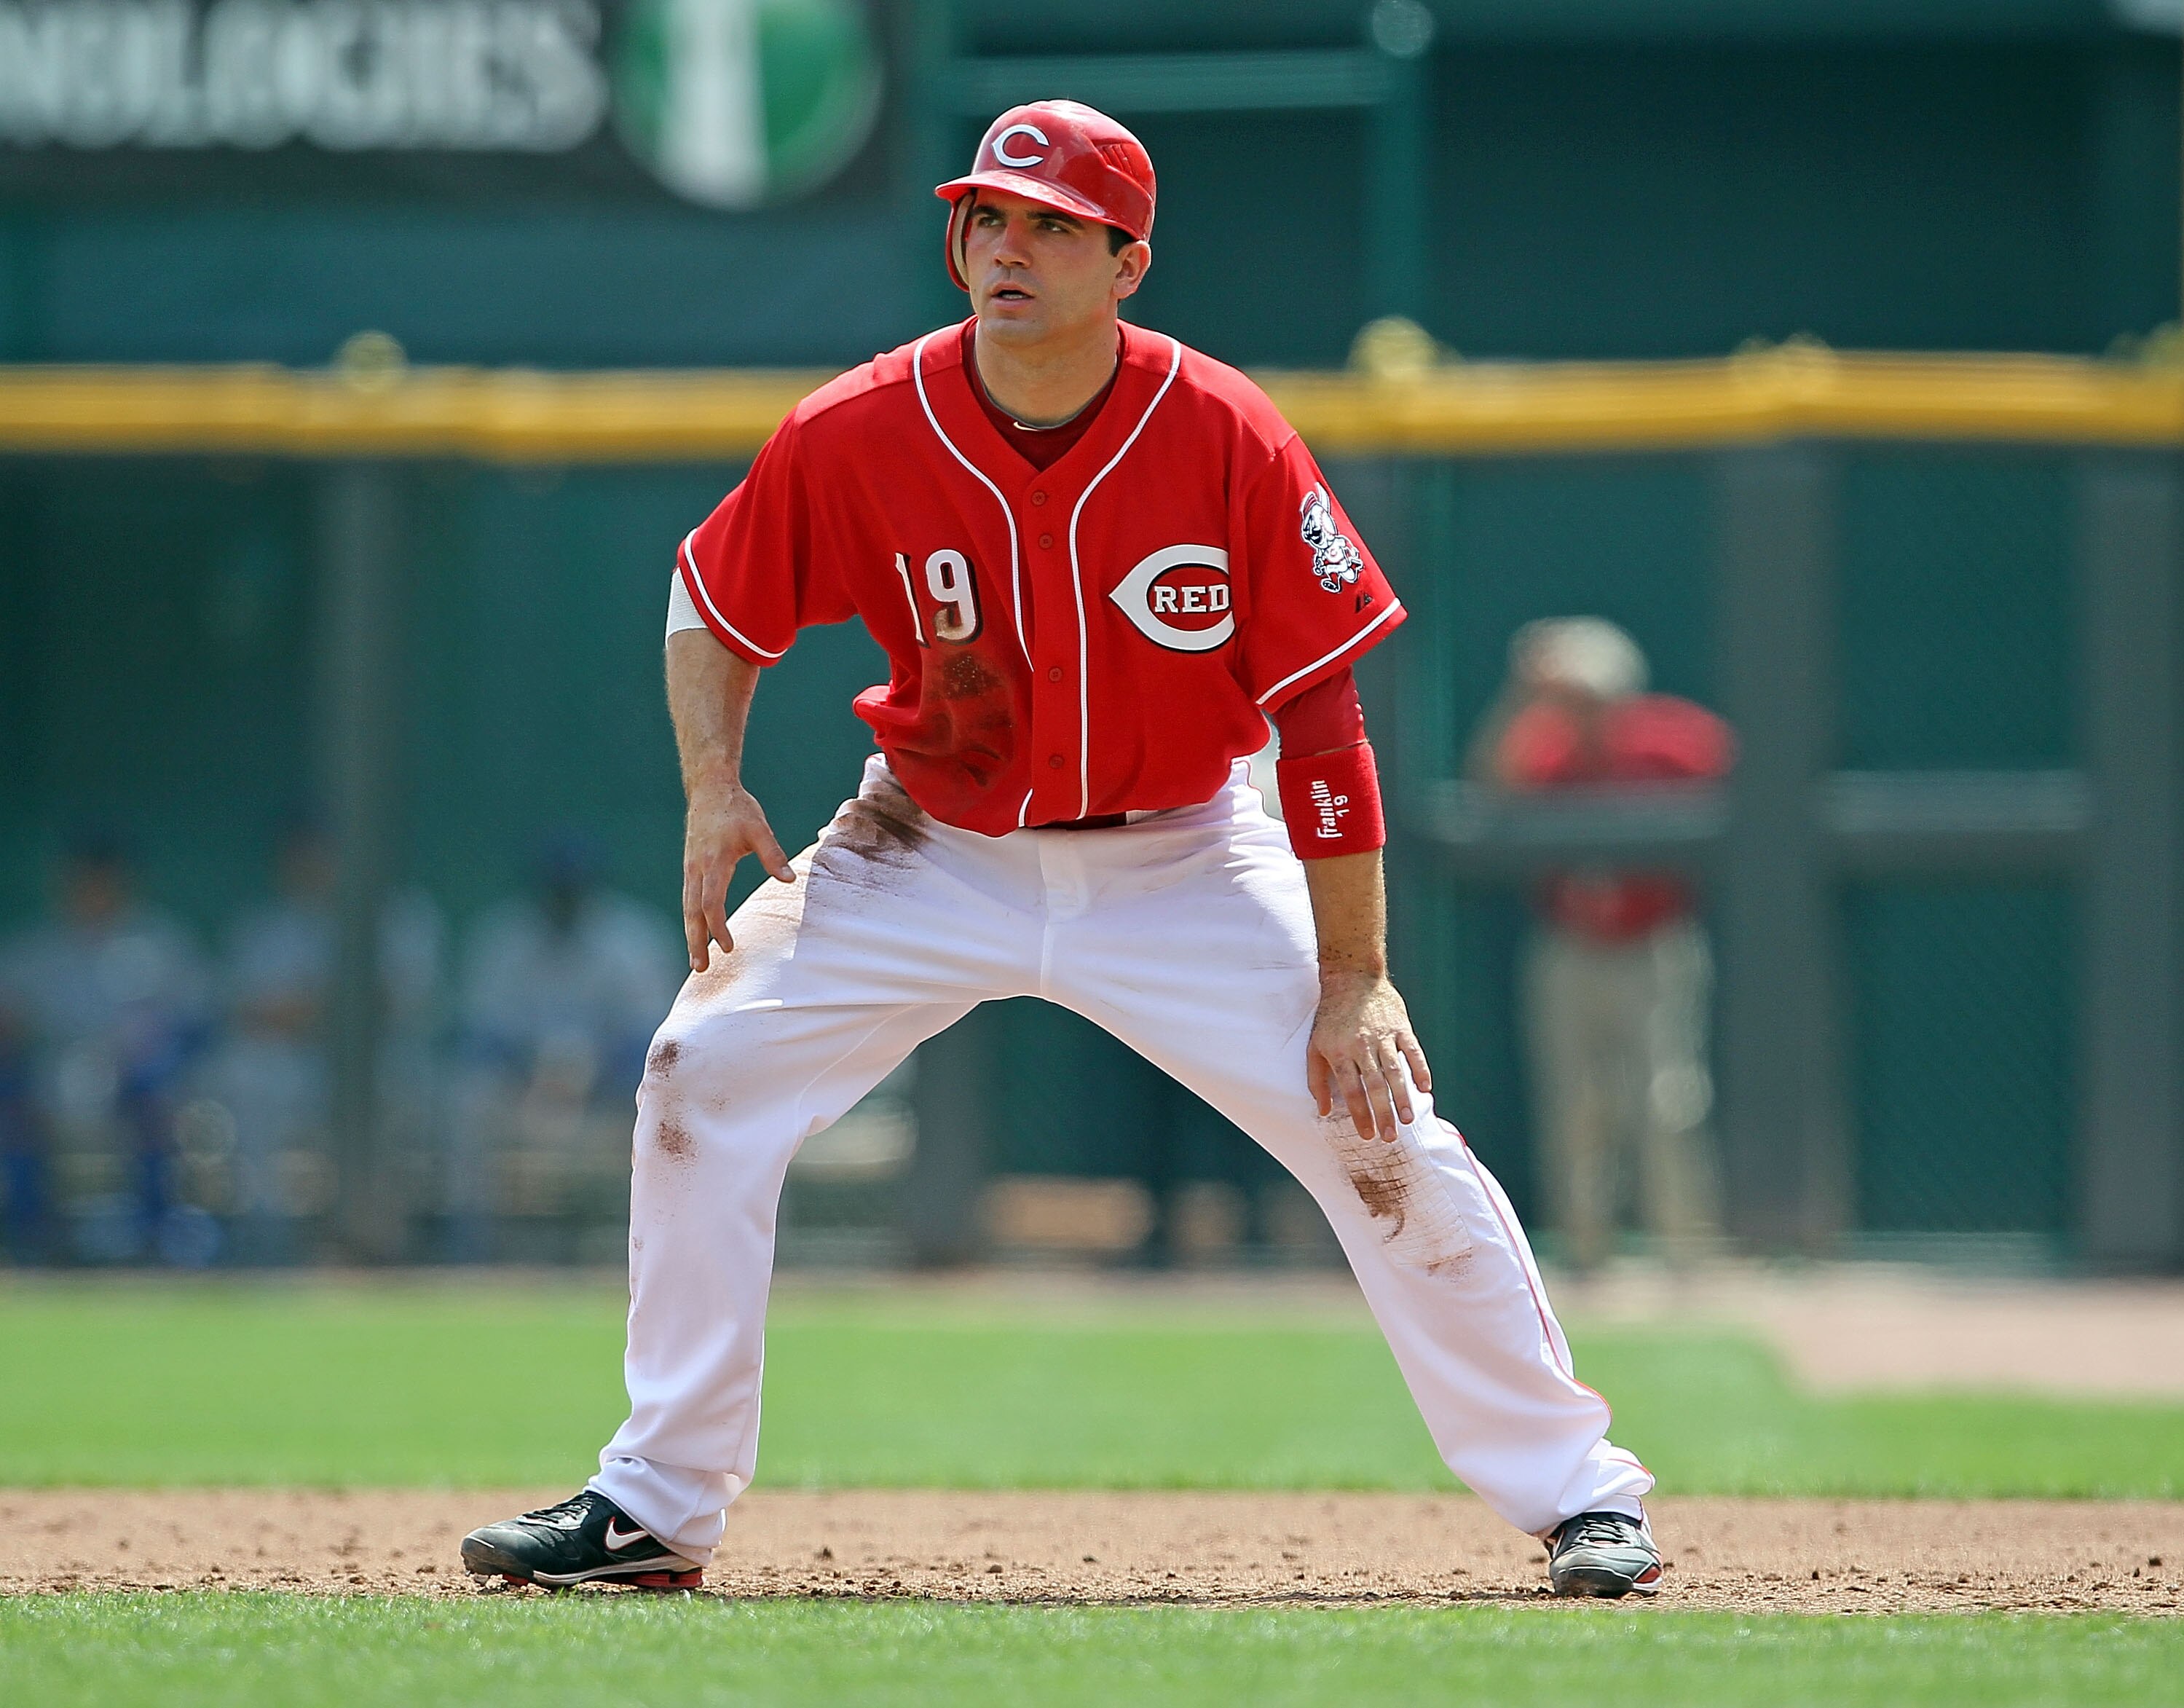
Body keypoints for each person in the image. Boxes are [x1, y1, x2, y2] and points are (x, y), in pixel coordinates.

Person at [462, 103, 1660, 1599]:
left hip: (1183, 856)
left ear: (1128, 262)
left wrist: (1357, 974)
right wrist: (714, 779)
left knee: (1381, 1126)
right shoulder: (862, 423)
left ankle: (1579, 1496)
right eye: (986, 215)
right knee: (700, 1073)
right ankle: (655, 1500)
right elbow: (713, 595)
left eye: (1048, 223)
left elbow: (1326, 723)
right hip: (927, 843)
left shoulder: (1225, 431)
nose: (1006, 245)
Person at [1470, 618, 1734, 1274]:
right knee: (1577, 1104)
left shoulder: (1674, 741)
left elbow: (1751, 798)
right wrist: (1524, 697)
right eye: (1568, 698)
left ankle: (1687, 1251)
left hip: (1654, 946)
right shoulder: (1547, 747)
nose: (1579, 712)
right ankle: (1588, 1252)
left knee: (1666, 1098)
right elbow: (1487, 787)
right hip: (1570, 945)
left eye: (1589, 697)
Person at [202, 813, 443, 1263]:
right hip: (295, 1062)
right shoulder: (267, 927)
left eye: (322, 851)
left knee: (415, 1090)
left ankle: (398, 1240)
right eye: (301, 853)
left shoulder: (400, 914)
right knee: (245, 1076)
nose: (312, 864)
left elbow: (403, 999)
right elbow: (251, 1011)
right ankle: (264, 1234)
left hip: (384, 1059)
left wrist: (316, 1005)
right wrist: (339, 1001)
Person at [443, 832, 682, 1261]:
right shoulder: (505, 938)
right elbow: (480, 1035)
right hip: (519, 1086)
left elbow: (654, 1040)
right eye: (557, 886)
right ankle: (471, 1250)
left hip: (610, 1088)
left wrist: (586, 1075)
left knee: (668, 1103)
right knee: (467, 1100)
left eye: (573, 886)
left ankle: (646, 1250)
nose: (565, 896)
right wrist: (535, 1073)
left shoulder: (630, 939)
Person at [0, 825, 212, 1264]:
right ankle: (30, 1235)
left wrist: (152, 1062)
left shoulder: (158, 942)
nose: (93, 888)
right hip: (49, 1073)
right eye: (83, 877)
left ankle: (156, 1230)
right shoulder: (35, 948)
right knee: (18, 1097)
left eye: (103, 877)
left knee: (155, 1093)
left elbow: (198, 1020)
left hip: (140, 1081)